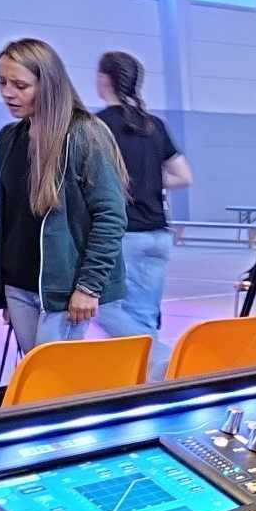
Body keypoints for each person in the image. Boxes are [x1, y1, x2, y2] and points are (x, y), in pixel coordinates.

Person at [0, 38, 138, 355]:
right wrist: (1, 292)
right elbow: (7, 220)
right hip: (19, 285)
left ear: (49, 86)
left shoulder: (85, 134)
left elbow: (110, 216)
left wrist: (88, 286)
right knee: (35, 378)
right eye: (2, 82)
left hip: (65, 289)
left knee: (53, 384)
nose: (7, 93)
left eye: (20, 85)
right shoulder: (7, 139)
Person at [94, 51, 191, 340]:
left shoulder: (96, 126)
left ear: (104, 79)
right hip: (158, 235)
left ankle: (160, 359)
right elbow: (183, 176)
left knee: (105, 310)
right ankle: (146, 378)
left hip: (124, 235)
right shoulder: (154, 125)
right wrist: (147, 179)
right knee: (143, 316)